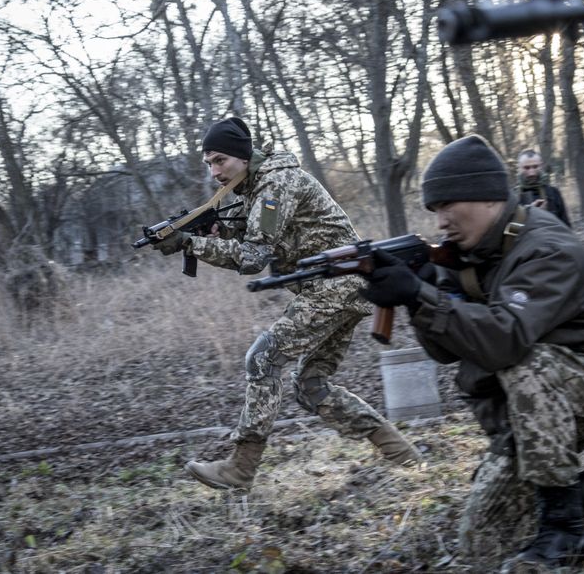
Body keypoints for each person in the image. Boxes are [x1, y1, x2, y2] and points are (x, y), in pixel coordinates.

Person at [358, 135, 584, 570]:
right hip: (533, 411)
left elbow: (506, 341)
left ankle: (565, 533)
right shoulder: (467, 256)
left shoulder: (547, 247)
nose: (441, 220)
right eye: (434, 210)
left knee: (526, 361)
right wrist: (417, 296)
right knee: (482, 537)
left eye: (448, 205)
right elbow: (447, 352)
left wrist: (425, 297)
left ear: (487, 197)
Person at [152, 117, 419, 490]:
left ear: (243, 157)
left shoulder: (276, 184)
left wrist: (189, 244)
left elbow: (252, 257)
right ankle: (404, 455)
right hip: (339, 289)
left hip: (336, 287)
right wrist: (216, 232)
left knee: (262, 358)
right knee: (312, 386)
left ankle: (240, 469)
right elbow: (270, 237)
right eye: (209, 163)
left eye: (220, 161)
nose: (214, 171)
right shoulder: (257, 186)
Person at [516, 149, 571, 226]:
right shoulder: (513, 198)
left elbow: (566, 227)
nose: (531, 173)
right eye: (526, 168)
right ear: (519, 168)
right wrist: (526, 214)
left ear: (541, 166)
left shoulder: (553, 193)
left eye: (535, 167)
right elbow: (510, 233)